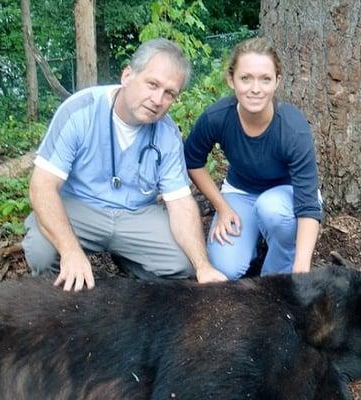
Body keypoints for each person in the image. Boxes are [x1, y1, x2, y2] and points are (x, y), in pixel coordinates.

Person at [22, 38, 227, 291]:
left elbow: (181, 203)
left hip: (135, 214)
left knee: (183, 264)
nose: (158, 99)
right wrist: (71, 250)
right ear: (127, 75)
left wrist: (202, 266)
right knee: (42, 253)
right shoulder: (80, 110)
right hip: (81, 209)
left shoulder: (167, 134)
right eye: (152, 84)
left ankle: (128, 260)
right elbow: (42, 186)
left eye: (169, 93)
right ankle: (59, 291)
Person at [184, 37, 322, 280]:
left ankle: (274, 278)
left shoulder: (292, 128)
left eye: (265, 79)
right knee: (226, 268)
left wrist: (301, 267)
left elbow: (308, 203)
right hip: (241, 193)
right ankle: (254, 239)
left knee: (272, 211)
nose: (255, 88)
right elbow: (193, 161)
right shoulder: (217, 117)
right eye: (246, 78)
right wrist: (222, 207)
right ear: (231, 79)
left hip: (286, 197)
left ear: (277, 81)